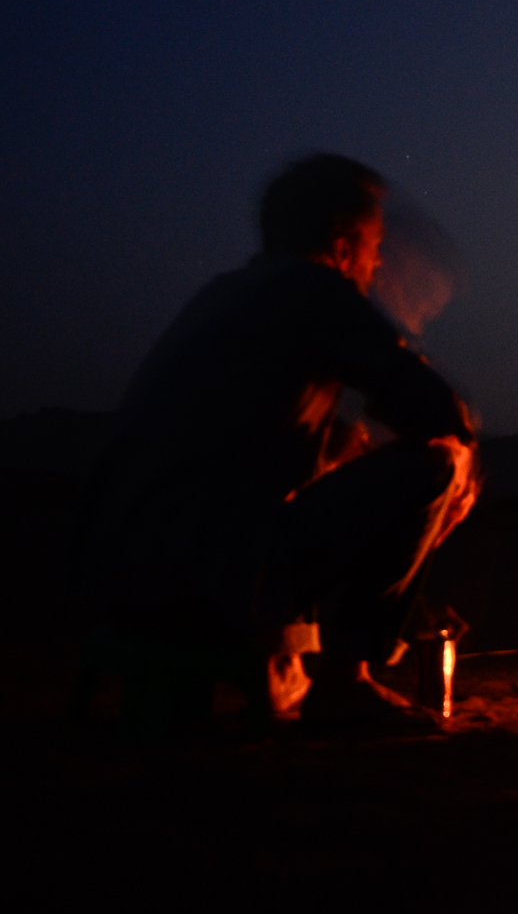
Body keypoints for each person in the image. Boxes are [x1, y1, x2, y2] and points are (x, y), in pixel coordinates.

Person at [82, 154, 480, 723]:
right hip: (196, 584)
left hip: (125, 578)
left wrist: (351, 448)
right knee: (440, 462)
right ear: (344, 246)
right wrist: (459, 468)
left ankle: (299, 665)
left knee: (352, 447)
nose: (378, 263)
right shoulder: (314, 291)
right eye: (375, 245)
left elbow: (259, 444)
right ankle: (348, 678)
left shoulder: (228, 295)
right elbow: (434, 407)